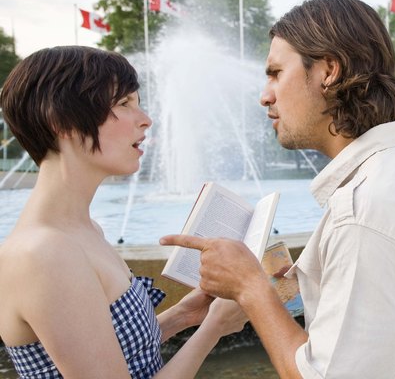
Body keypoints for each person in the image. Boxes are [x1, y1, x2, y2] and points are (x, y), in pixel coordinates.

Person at [161, 0, 395, 378]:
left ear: (328, 70)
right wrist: (299, 286)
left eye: (276, 73)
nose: (265, 95)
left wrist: (251, 287)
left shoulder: (367, 210)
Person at [0, 46, 247, 378]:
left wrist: (182, 317)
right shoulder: (43, 255)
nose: (146, 118)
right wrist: (213, 329)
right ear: (62, 122)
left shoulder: (84, 230)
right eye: (123, 104)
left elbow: (111, 351)